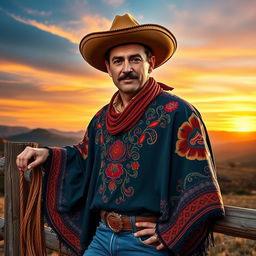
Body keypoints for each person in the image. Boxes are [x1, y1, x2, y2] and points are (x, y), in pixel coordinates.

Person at [16, 13, 224, 256]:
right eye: (118, 61)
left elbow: (199, 179)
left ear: (151, 63)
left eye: (135, 59)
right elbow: (84, 157)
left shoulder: (177, 112)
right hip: (102, 236)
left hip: (145, 243)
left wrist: (171, 232)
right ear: (108, 68)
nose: (127, 69)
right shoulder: (101, 119)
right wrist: (48, 154)